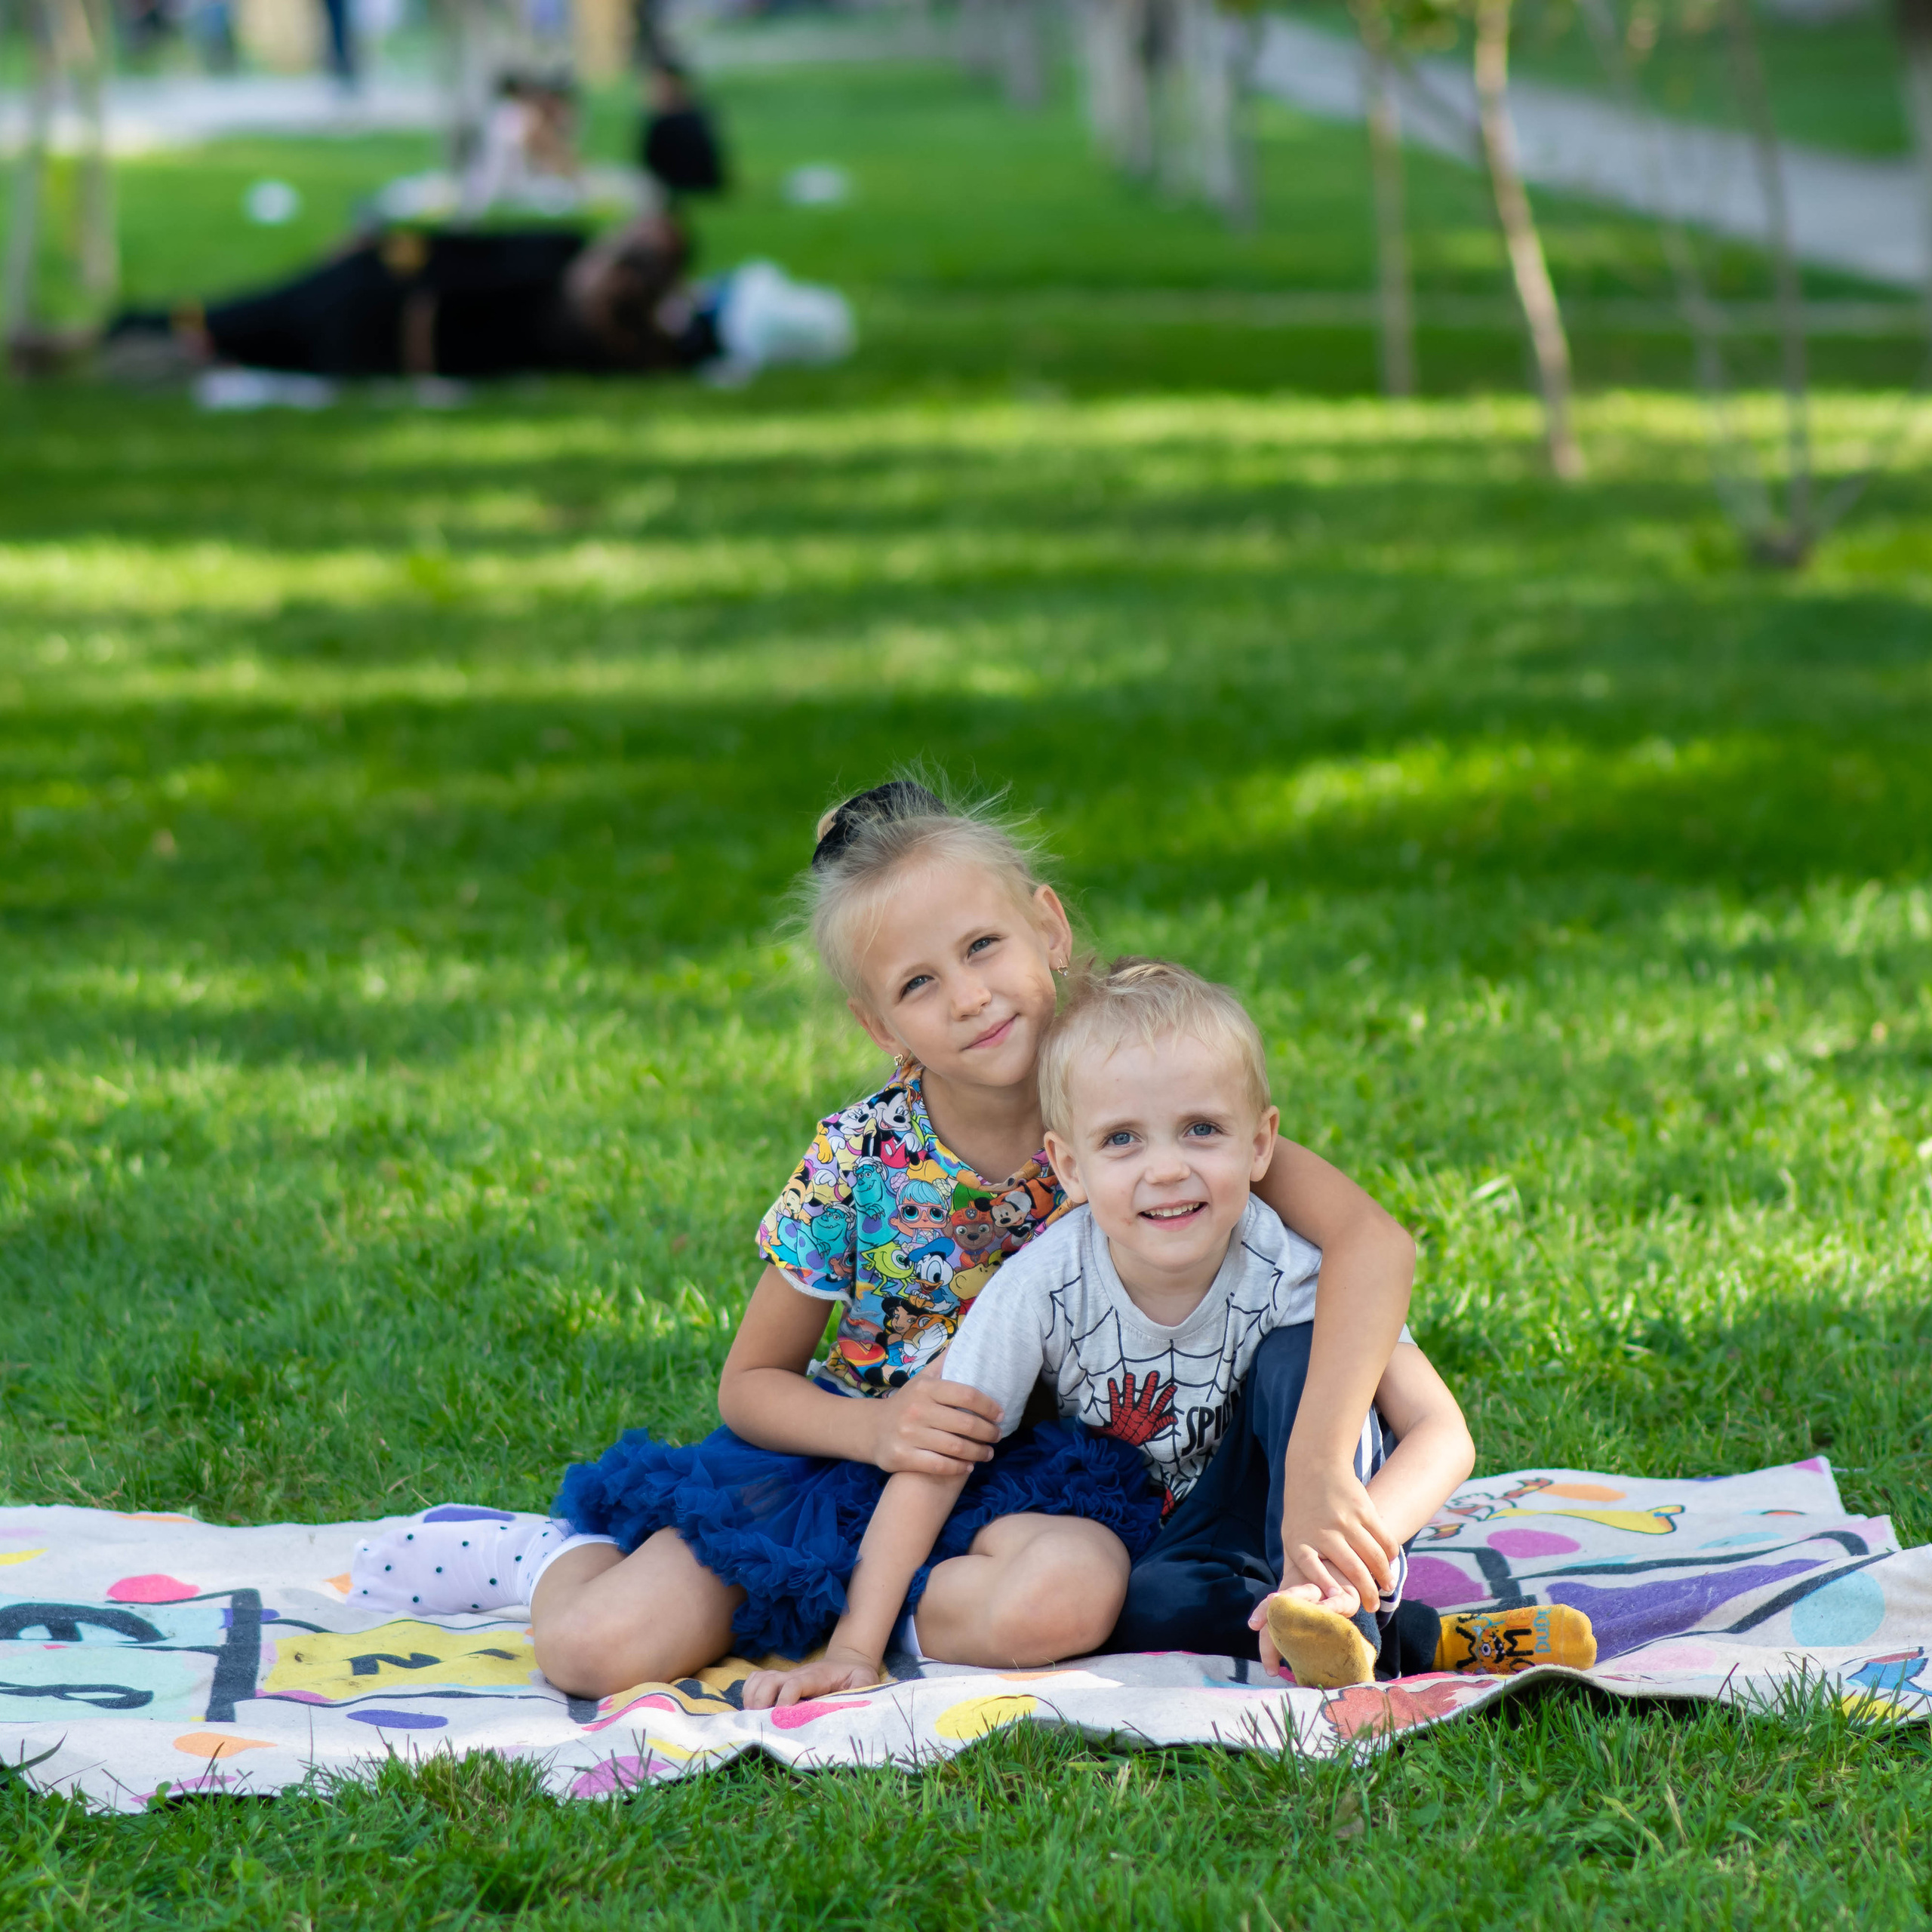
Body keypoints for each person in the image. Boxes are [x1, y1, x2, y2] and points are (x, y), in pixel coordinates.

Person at [349, 780, 1433, 1694]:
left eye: (983, 947)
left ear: (1048, 929)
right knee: (592, 1652)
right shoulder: (858, 1162)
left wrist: (1317, 1462)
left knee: (1068, 1601)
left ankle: (855, 1630)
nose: (968, 998)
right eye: (920, 983)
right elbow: (751, 1382)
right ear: (880, 1023)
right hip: (864, 1463)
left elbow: (1372, 1245)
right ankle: (548, 1556)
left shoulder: (1136, 1092)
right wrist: (876, 1434)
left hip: (1048, 1490)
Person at [740, 959, 1598, 1706]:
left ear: (1260, 1142)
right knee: (1146, 1606)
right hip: (1187, 1538)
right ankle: (1420, 1642)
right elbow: (939, 1460)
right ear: (1067, 1167)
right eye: (1121, 1140)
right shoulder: (1041, 1283)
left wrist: (1351, 1536)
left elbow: (1443, 1434)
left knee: (1303, 1357)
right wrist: (855, 1647)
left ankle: (1344, 1614)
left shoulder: (1289, 1262)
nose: (1166, 1167)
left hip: (1315, 1510)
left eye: (1201, 1129)